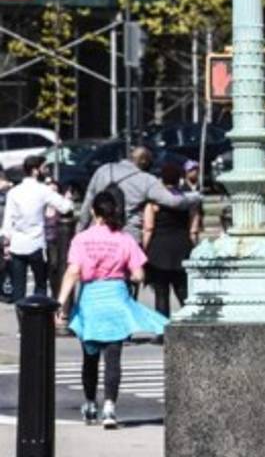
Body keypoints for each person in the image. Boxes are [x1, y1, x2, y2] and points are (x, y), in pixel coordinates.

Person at [55, 191, 167, 429]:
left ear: (93, 211)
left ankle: (90, 404)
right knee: (113, 358)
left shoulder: (81, 239)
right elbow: (138, 274)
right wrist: (127, 274)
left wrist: (61, 302)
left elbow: (73, 271)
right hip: (116, 299)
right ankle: (109, 407)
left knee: (90, 358)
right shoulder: (125, 239)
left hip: (90, 301)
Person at [79, 144, 202, 243]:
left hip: (97, 234)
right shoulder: (146, 180)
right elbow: (174, 201)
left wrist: (80, 231)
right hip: (128, 236)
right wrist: (196, 196)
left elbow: (87, 203)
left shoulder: (104, 170)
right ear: (146, 163)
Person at [2, 155, 73, 300]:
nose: (46, 171)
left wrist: (5, 241)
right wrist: (68, 199)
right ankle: (38, 312)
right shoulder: (42, 190)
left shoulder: (14, 192)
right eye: (44, 168)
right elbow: (65, 207)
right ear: (35, 170)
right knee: (40, 285)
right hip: (37, 244)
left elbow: (8, 220)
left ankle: (20, 313)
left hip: (17, 245)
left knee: (18, 289)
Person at [142, 162, 201, 318]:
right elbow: (193, 230)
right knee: (183, 291)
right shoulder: (187, 201)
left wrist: (144, 250)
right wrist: (194, 247)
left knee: (161, 293)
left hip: (158, 250)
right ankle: (191, 322)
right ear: (179, 179)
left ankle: (162, 326)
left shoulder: (154, 203)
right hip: (182, 247)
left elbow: (148, 228)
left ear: (162, 180)